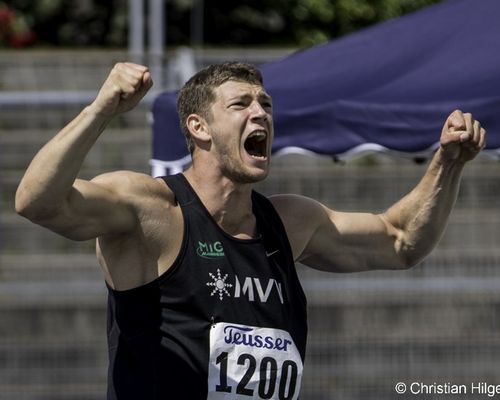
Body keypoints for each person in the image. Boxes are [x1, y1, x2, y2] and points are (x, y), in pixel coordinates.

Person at [15, 61, 486, 400]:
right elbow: (37, 202)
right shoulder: (151, 209)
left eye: (265, 104)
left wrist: (448, 163)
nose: (260, 113)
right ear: (198, 128)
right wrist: (102, 108)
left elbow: (401, 241)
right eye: (241, 104)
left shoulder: (289, 222)